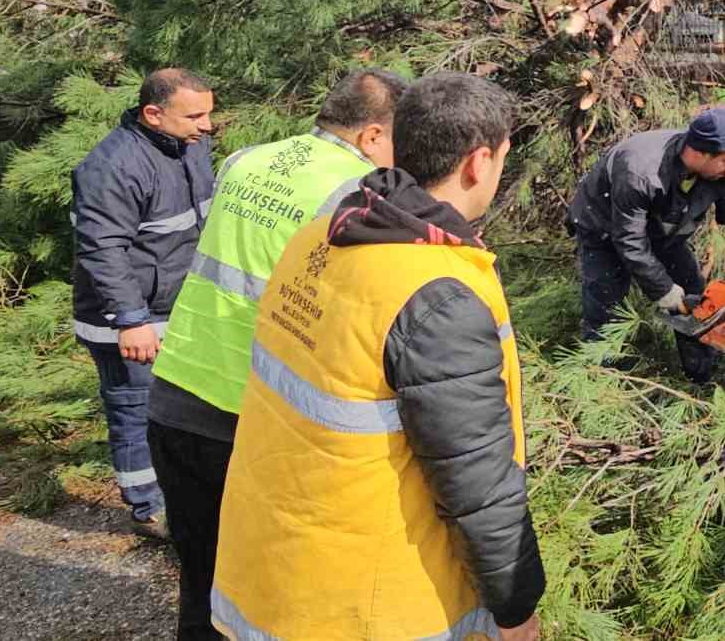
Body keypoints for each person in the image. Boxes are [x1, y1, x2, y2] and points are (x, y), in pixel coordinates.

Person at [212, 73, 543, 641]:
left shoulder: (321, 237)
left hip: (273, 565)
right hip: (370, 600)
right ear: (479, 161)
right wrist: (516, 608)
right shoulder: (435, 295)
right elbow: (477, 482)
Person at [146, 69, 407, 641]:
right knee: (264, 590)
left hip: (178, 389)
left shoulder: (247, 159)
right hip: (253, 414)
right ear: (370, 136)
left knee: (199, 576)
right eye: (397, 140)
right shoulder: (356, 193)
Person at [71, 68, 216, 538]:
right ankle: (148, 508)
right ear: (154, 114)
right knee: (136, 410)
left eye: (209, 113)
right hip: (126, 322)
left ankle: (180, 493)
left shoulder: (191, 147)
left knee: (178, 410)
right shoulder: (111, 167)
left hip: (175, 308)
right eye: (195, 115)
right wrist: (131, 321)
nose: (207, 125)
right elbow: (103, 250)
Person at [565, 107, 725, 382]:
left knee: (697, 298)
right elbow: (629, 239)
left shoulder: (723, 173)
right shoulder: (641, 171)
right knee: (607, 304)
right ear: (700, 152)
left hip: (662, 227)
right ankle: (602, 381)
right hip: (603, 225)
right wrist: (663, 289)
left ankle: (701, 376)